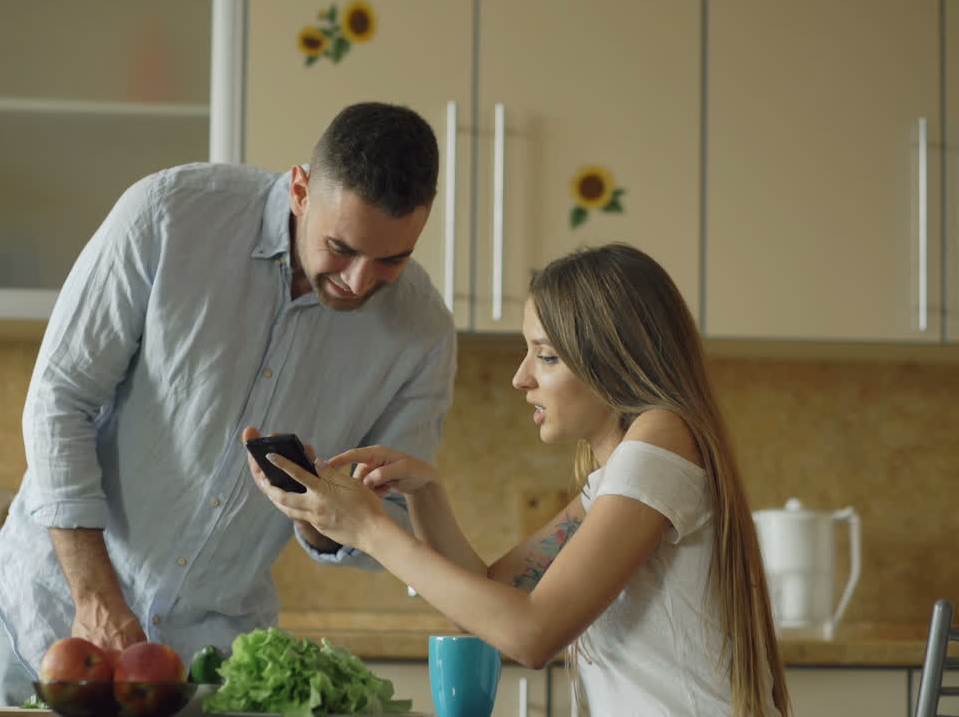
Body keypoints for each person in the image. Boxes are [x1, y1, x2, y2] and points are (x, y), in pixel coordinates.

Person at [0, 102, 458, 707]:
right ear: (301, 189)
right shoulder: (170, 213)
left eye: (392, 259)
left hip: (210, 669)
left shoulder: (422, 333)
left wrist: (319, 513)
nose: (359, 282)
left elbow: (393, 524)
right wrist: (94, 597)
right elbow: (58, 400)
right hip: (52, 627)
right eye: (341, 247)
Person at [257, 243, 791, 716]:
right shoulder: (616, 475)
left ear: (613, 360)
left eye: (547, 355)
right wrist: (427, 496)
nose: (522, 377)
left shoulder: (659, 442)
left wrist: (371, 531)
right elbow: (492, 604)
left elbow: (531, 635)